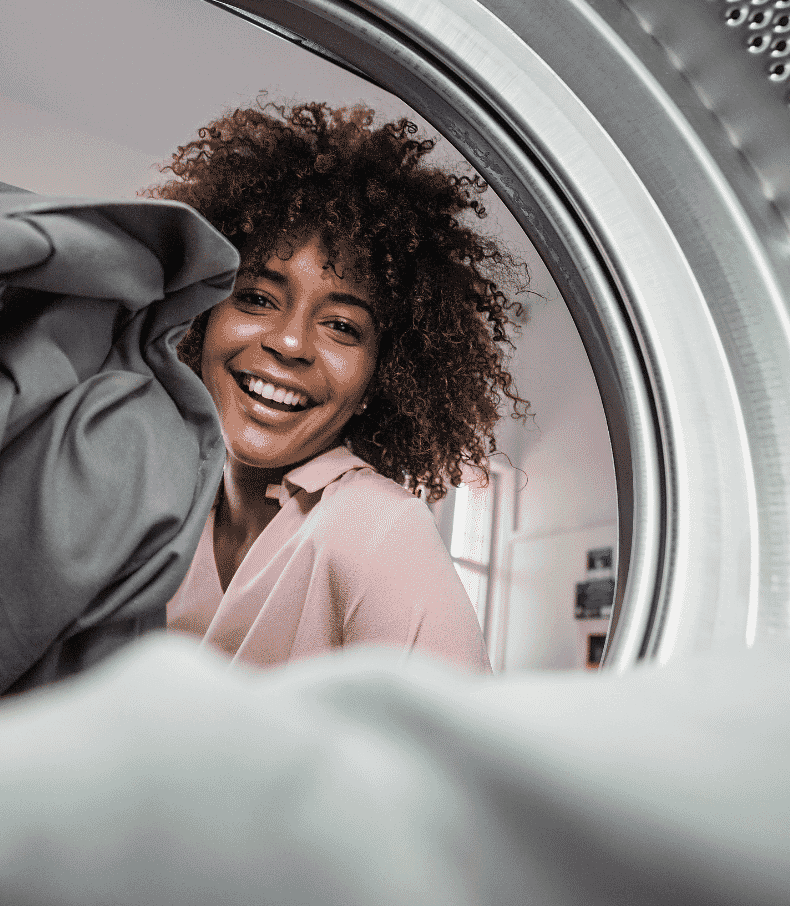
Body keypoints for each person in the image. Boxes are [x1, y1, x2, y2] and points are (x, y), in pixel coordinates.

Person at [145, 101, 528, 671]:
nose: (291, 343)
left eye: (342, 326)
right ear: (199, 319)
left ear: (380, 377)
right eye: (256, 297)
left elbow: (457, 752)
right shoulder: (157, 506)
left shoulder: (379, 528)